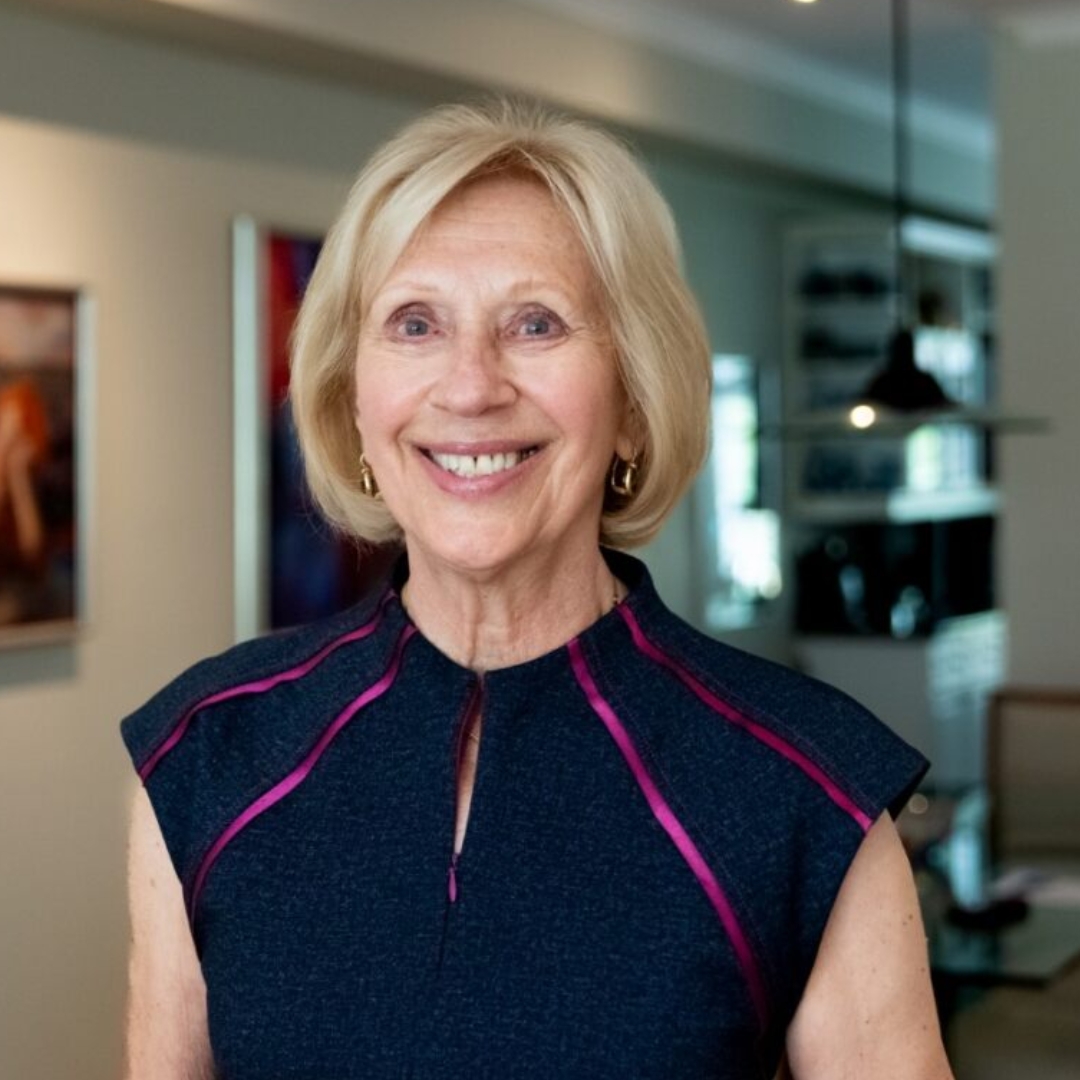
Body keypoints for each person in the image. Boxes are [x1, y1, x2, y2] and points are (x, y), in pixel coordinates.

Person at [121, 99, 952, 1080]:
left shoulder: (805, 795)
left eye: (536, 322)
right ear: (354, 400)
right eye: (415, 322)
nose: (470, 386)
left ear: (634, 405)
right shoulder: (205, 755)